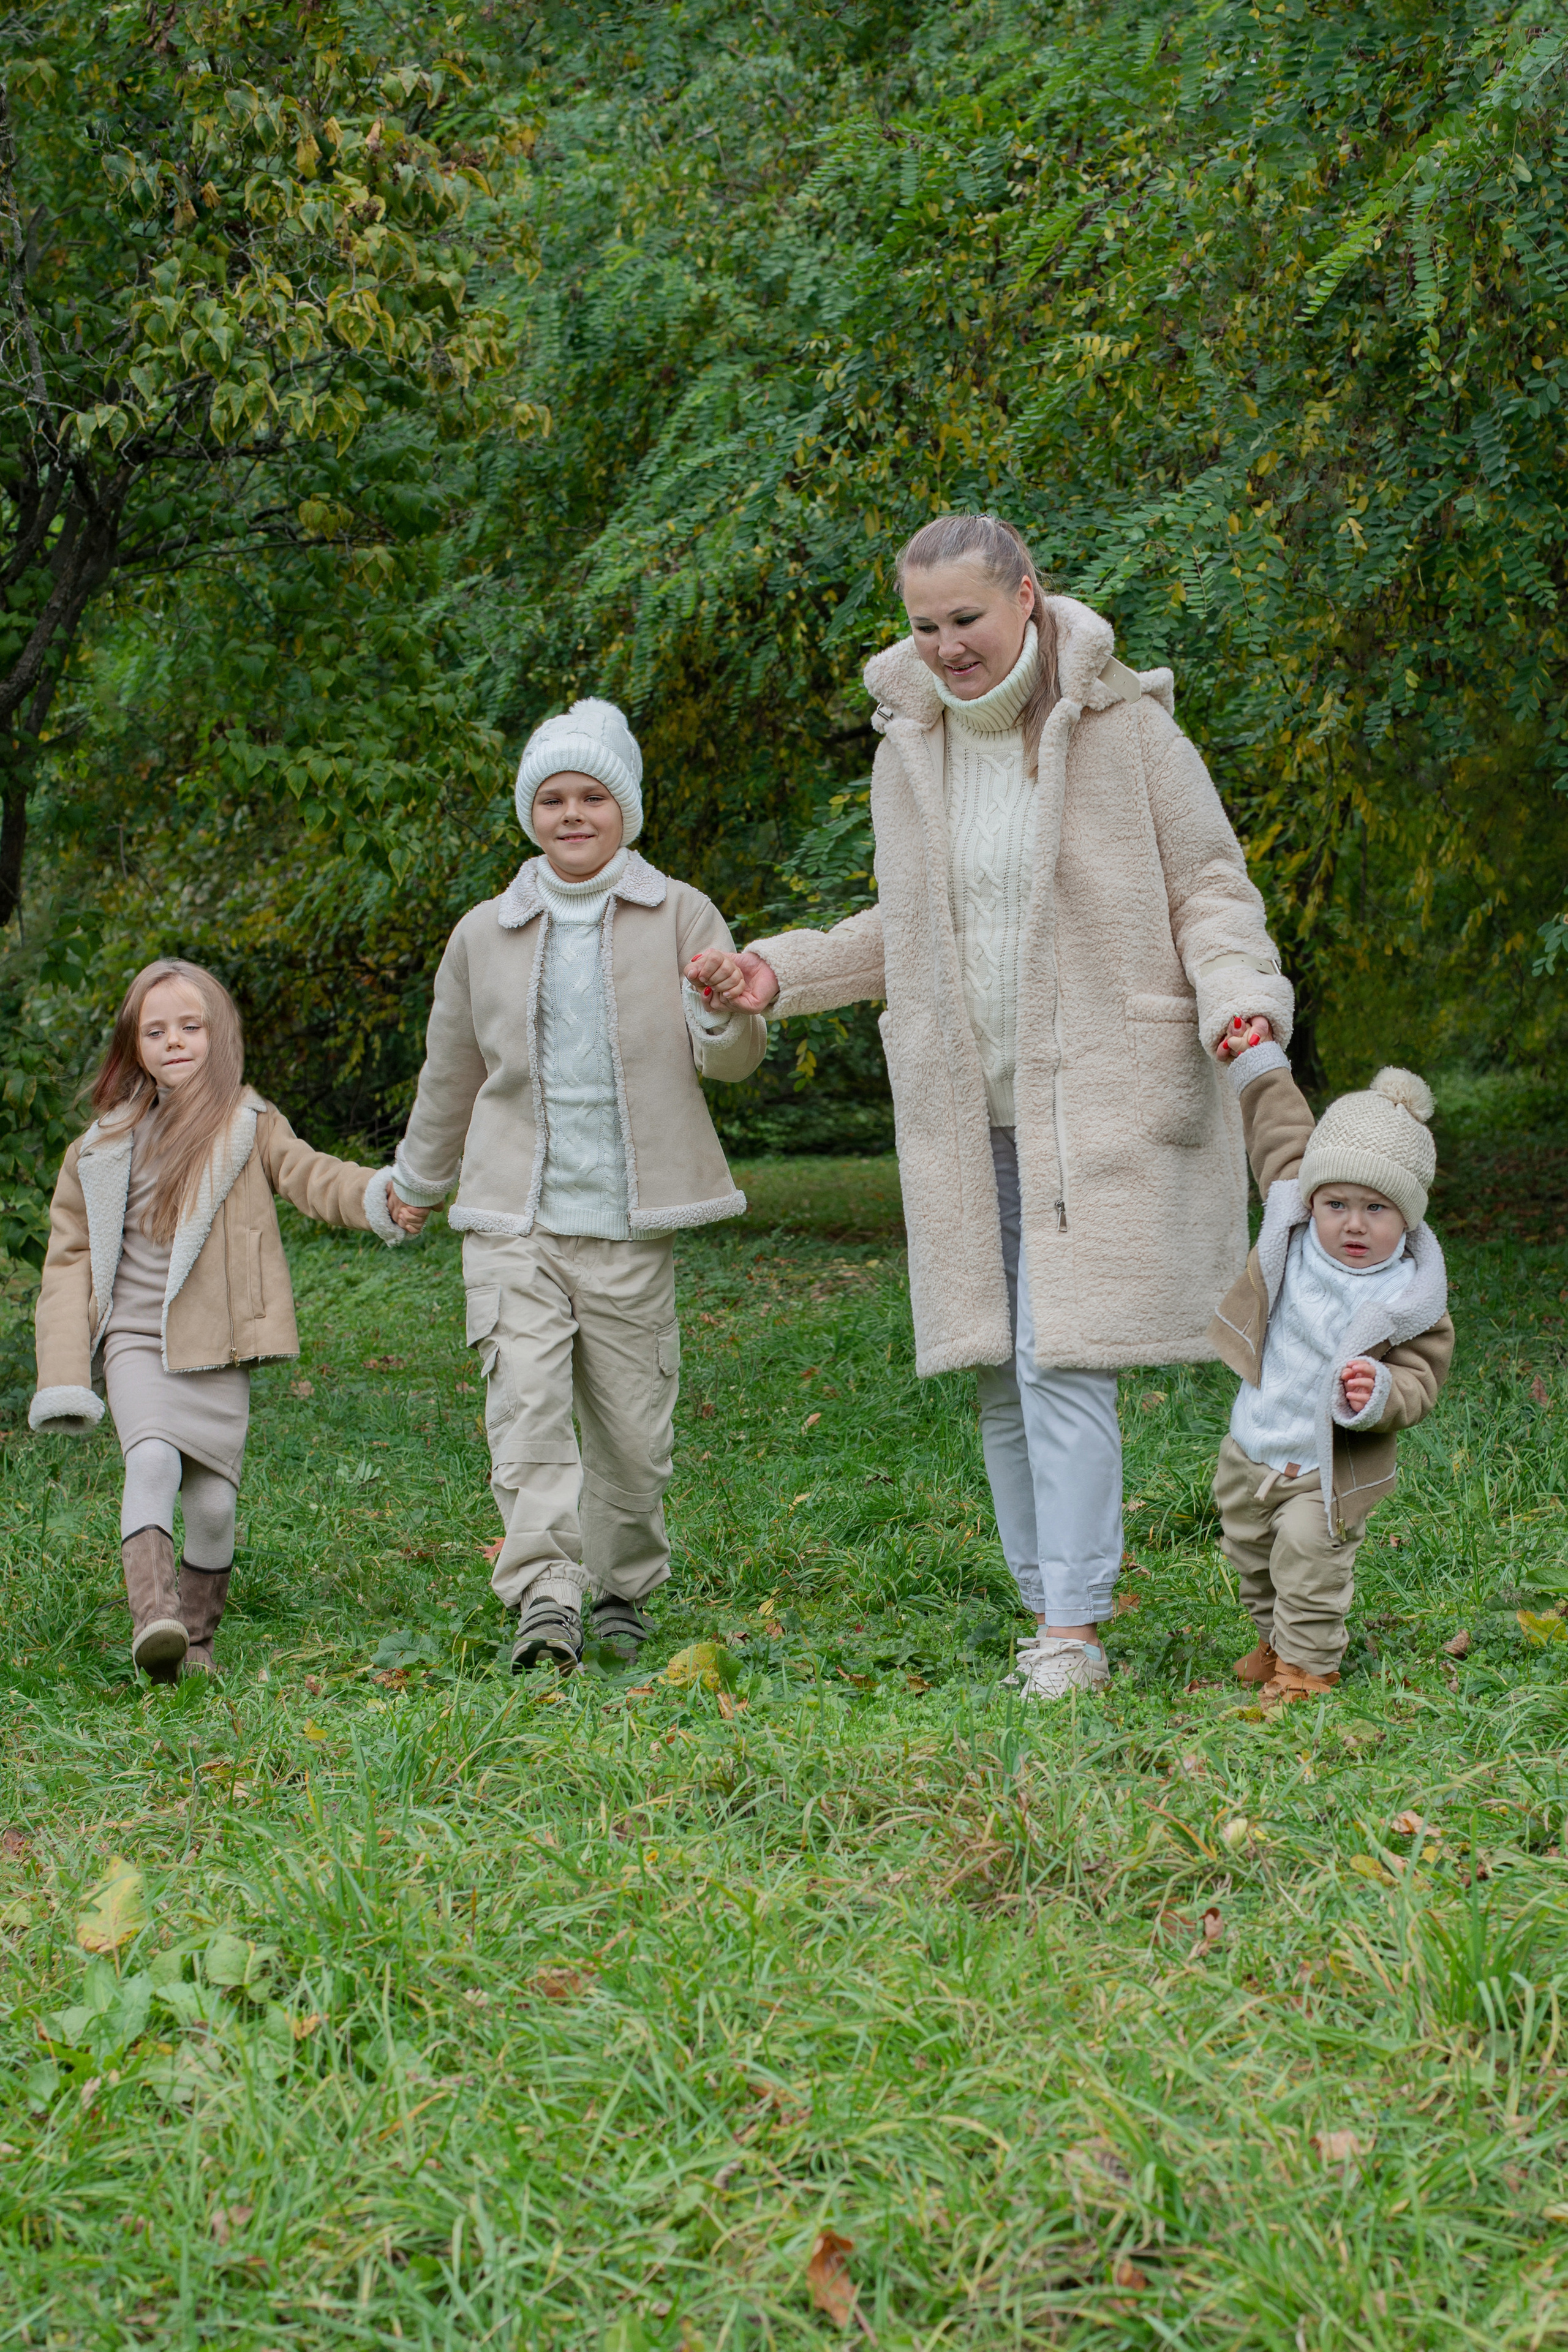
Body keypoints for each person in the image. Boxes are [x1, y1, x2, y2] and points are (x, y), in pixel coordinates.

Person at [687, 511, 1292, 1698]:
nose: (945, 647)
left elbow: (1210, 893)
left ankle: (1072, 1630)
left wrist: (1241, 1006)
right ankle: (1047, 1606)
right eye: (922, 626)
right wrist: (781, 974)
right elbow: (911, 931)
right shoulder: (907, 750)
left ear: (1026, 594)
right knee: (995, 1368)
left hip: (1102, 1095)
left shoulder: (1126, 729)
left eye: (964, 618)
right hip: (971, 1113)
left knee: (1057, 1359)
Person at [385, 698, 767, 1672]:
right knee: (527, 1409)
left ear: (625, 809)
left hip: (631, 1226)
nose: (571, 814)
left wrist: (720, 1010)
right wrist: (419, 1181)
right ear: (530, 813)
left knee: (634, 1434)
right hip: (517, 1218)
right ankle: (545, 1595)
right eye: (551, 797)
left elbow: (730, 1060)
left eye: (591, 795)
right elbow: (452, 1072)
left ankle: (623, 1585)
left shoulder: (679, 912)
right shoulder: (484, 933)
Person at [29, 960, 407, 1680]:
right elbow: (66, 1266)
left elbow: (312, 1175)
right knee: (151, 1460)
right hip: (138, 1343)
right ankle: (155, 1616)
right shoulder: (99, 1150)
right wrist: (65, 1372)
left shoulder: (249, 1126)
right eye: (156, 1030)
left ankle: (193, 1645)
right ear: (133, 1044)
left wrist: (380, 1196)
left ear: (219, 1033)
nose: (175, 1042)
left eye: (191, 1026)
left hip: (217, 1349)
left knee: (211, 1509)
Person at [1208, 1047, 1452, 1705]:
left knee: (1309, 1560)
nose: (1351, 1224)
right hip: (1251, 1445)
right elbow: (1280, 1128)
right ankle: (1275, 1639)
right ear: (1312, 1196)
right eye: (1336, 1203)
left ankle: (1307, 1670)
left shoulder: (1408, 1296)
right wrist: (1254, 1055)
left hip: (1326, 1465)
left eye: (1376, 1209)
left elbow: (1421, 1379)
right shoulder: (1291, 1224)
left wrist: (1379, 1394)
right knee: (1251, 1558)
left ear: (1407, 1216)